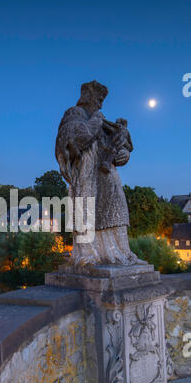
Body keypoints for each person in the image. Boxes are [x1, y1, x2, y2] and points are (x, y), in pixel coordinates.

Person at [55, 80, 145, 266]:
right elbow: (80, 137)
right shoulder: (75, 114)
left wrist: (123, 154)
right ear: (87, 96)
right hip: (86, 175)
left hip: (107, 174)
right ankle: (88, 255)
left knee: (117, 210)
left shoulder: (100, 120)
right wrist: (97, 119)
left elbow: (114, 145)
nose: (101, 104)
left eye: (103, 100)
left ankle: (121, 253)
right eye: (98, 99)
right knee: (86, 210)